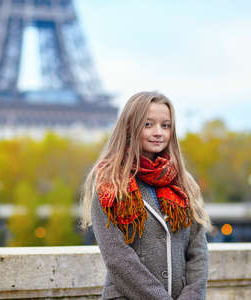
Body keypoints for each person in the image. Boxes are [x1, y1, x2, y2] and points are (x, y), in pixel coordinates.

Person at [81, 91, 212, 300]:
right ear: (130, 128)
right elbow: (118, 258)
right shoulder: (109, 184)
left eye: (165, 125)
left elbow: (198, 251)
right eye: (148, 124)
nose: (158, 132)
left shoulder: (183, 183)